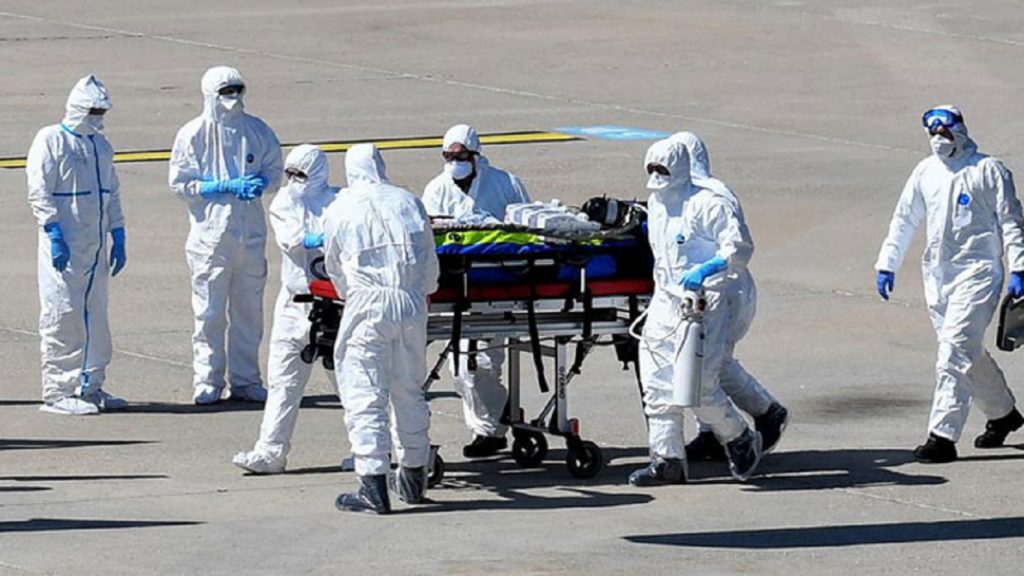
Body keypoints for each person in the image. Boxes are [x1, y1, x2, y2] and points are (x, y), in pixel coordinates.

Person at [875, 105, 1024, 463]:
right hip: (939, 278)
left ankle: (942, 436)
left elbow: (1011, 220)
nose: (938, 137)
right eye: (931, 132)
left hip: (979, 274)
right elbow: (904, 218)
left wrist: (1019, 267)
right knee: (966, 351)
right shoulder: (926, 171)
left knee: (952, 353)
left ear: (959, 129)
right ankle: (1003, 413)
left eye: (944, 130)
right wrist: (887, 262)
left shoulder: (988, 170)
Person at [630, 137, 763, 486]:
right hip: (664, 302)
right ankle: (667, 459)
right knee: (657, 385)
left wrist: (709, 268)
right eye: (651, 168)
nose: (657, 175)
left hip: (701, 304)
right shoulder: (656, 203)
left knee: (698, 388)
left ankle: (739, 437)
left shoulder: (708, 203)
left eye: (663, 168)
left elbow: (738, 247)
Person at [324, 143, 439, 514]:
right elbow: (430, 263)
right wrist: (419, 292)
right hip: (410, 303)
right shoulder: (409, 201)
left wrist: (352, 295)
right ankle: (414, 477)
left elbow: (333, 265)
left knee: (365, 393)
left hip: (368, 304)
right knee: (409, 390)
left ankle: (372, 484)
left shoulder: (342, 207)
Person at [669, 131, 789, 462]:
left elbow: (736, 247)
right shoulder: (679, 195)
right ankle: (712, 432)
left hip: (727, 290)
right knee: (704, 363)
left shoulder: (714, 196)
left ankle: (766, 411)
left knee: (710, 364)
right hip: (704, 292)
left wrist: (708, 270)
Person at [169, 65, 283, 405]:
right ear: (210, 95)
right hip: (210, 239)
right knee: (209, 313)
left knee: (249, 313)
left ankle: (246, 380)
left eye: (237, 90)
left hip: (250, 236)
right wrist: (220, 186)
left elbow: (274, 169)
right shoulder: (193, 134)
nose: (232, 98)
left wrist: (262, 182)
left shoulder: (257, 130)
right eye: (225, 92)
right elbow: (180, 184)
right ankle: (208, 380)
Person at [422, 123, 530, 458]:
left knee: (482, 361)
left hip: (498, 284)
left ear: (476, 155)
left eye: (461, 155)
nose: (455, 161)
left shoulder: (505, 183)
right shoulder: (436, 188)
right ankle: (497, 418)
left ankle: (491, 428)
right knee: (462, 368)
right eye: (449, 156)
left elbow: (527, 225)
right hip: (455, 286)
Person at [233, 145, 339, 473]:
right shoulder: (283, 202)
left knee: (350, 384)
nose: (294, 180)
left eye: (300, 174)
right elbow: (293, 239)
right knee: (283, 382)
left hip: (335, 306)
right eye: (289, 174)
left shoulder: (340, 201)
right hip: (295, 305)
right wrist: (325, 237)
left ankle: (375, 449)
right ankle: (270, 452)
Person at [27, 75, 128, 415]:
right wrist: (52, 230)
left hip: (95, 246)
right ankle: (58, 391)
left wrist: (118, 231)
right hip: (65, 246)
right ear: (78, 109)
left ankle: (90, 384)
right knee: (63, 314)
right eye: (93, 111)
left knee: (96, 317)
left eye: (102, 112)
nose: (98, 118)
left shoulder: (101, 146)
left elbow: (112, 191)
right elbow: (39, 190)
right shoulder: (51, 140)